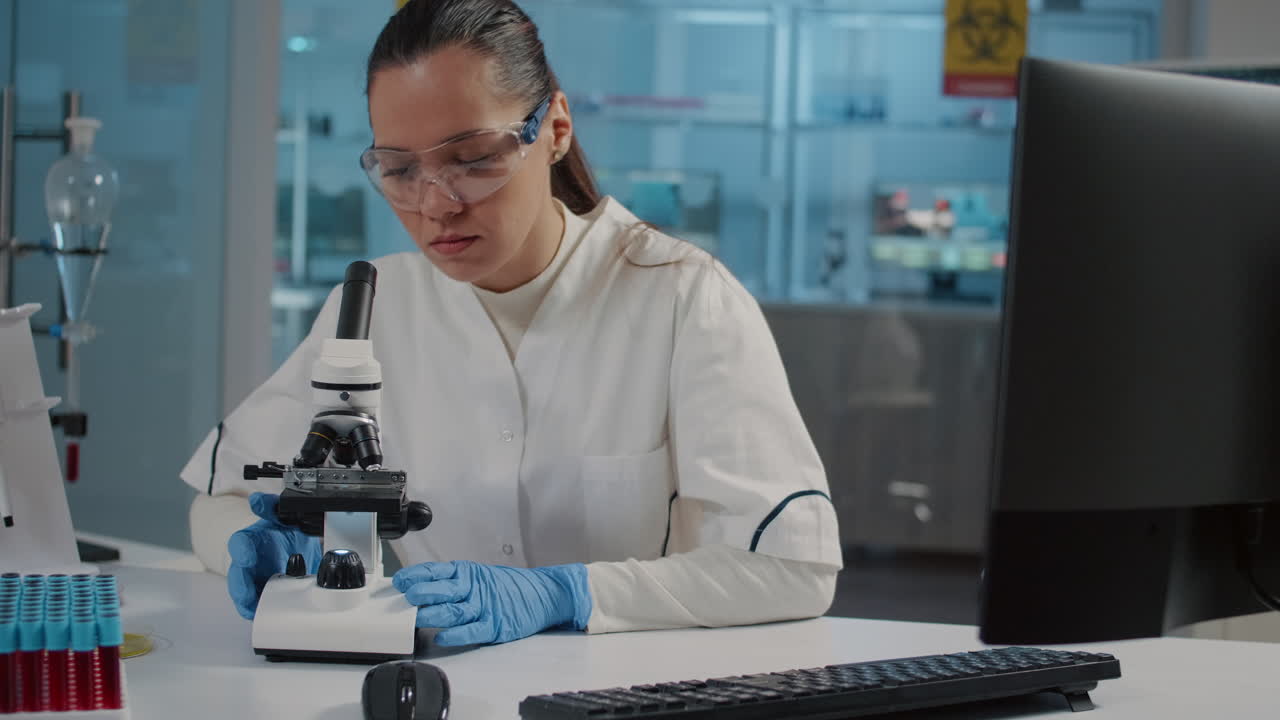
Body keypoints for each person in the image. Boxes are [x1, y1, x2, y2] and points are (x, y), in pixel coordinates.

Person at [182, 0, 841, 647]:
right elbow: (220, 497)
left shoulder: (682, 298)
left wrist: (571, 594)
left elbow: (793, 569)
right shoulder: (375, 306)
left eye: (472, 158)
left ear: (554, 129)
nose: (435, 204)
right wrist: (257, 546)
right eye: (402, 170)